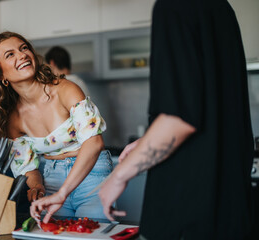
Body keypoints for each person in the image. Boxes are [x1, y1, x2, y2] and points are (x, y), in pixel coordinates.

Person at [99, 0, 254, 239]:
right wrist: (148, 141)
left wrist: (119, 176)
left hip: (188, 211)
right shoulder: (219, 7)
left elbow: (180, 121)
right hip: (225, 212)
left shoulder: (174, 6)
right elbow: (204, 109)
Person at [0, 32, 112, 222]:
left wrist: (62, 192)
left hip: (92, 173)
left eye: (24, 48)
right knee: (57, 234)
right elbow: (28, 168)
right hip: (52, 177)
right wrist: (36, 187)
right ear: (0, 75)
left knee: (95, 233)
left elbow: (94, 143)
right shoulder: (14, 121)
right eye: (10, 54)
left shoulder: (65, 89)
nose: (22, 55)